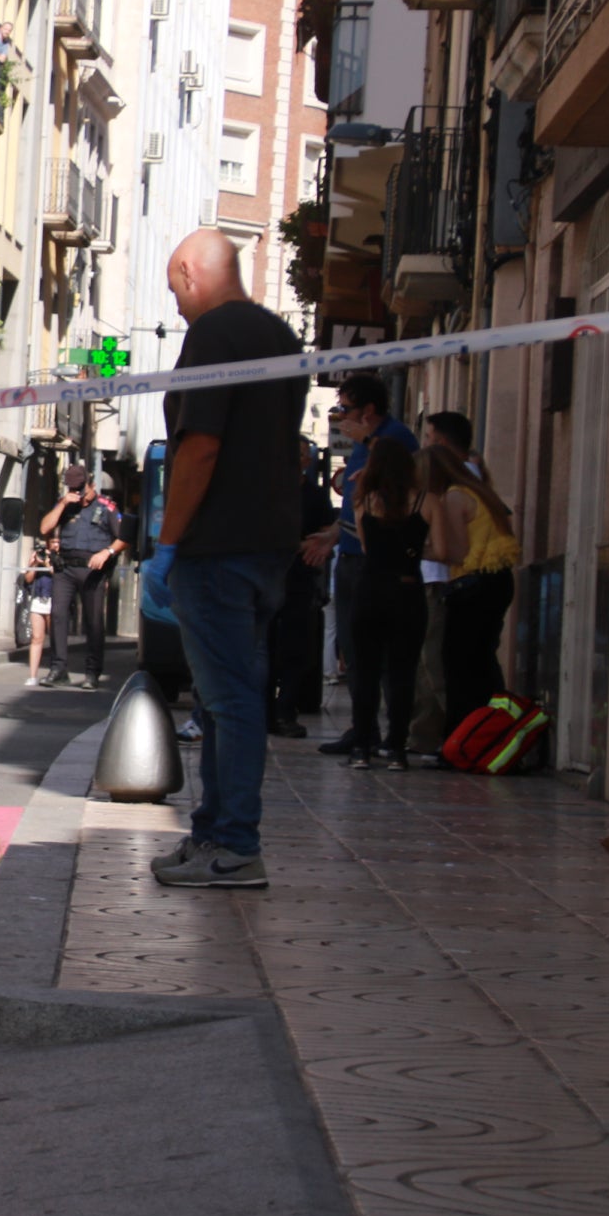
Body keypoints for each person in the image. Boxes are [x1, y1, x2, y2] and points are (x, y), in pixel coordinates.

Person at [148, 229, 307, 889]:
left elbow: (201, 446)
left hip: (217, 547)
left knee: (229, 699)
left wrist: (167, 543)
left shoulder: (213, 336)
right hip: (269, 547)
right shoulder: (280, 336)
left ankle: (236, 845)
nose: (177, 307)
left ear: (189, 271)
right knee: (224, 699)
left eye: (174, 290)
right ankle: (213, 831)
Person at [301, 373, 418, 755]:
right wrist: (335, 532)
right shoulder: (363, 446)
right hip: (352, 555)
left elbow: (398, 480)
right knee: (355, 650)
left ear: (368, 410)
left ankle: (390, 737)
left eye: (345, 409)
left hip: (381, 564)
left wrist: (365, 439)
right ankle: (361, 728)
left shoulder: (393, 438)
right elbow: (361, 498)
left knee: (383, 656)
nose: (340, 416)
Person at [422, 442, 519, 731]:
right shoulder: (479, 491)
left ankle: (463, 735)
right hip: (497, 580)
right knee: (483, 661)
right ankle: (494, 733)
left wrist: (416, 548)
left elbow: (455, 553)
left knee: (458, 665)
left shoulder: (453, 497)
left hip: (473, 584)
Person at [344, 437, 427, 769]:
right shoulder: (425, 500)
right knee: (402, 672)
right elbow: (452, 551)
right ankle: (396, 748)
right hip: (407, 590)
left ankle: (362, 747)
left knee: (364, 671)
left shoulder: (364, 499)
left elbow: (366, 547)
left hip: (370, 590)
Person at [408, 410, 486, 755]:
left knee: (433, 662)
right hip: (443, 582)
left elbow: (449, 548)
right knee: (428, 664)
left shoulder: (454, 489)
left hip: (443, 582)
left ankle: (464, 734)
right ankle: (428, 735)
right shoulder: (460, 484)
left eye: (427, 438)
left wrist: (409, 548)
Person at [267, 435, 335, 739]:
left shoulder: (316, 496)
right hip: (267, 580)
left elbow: (322, 539)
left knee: (296, 650)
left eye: (303, 456)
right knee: (264, 647)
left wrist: (301, 546)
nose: (300, 461)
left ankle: (286, 712)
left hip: (300, 582)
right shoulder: (268, 492)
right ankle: (265, 711)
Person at [38, 463, 123, 686]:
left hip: (93, 570)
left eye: (81, 489)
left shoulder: (106, 507)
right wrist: (63, 504)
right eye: (73, 489)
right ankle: (58, 668)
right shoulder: (66, 504)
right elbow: (44, 528)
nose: (78, 494)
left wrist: (107, 552)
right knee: (58, 615)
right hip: (65, 568)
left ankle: (92, 672)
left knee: (94, 621)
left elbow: (123, 537)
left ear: (92, 485)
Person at [25, 536, 56, 682]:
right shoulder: (39, 557)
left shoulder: (60, 558)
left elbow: (59, 576)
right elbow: (28, 579)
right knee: (37, 638)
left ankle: (55, 671)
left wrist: (49, 563)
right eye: (53, 542)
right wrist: (34, 564)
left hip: (54, 600)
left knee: (55, 638)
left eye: (57, 542)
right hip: (38, 599)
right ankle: (32, 676)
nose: (55, 545)